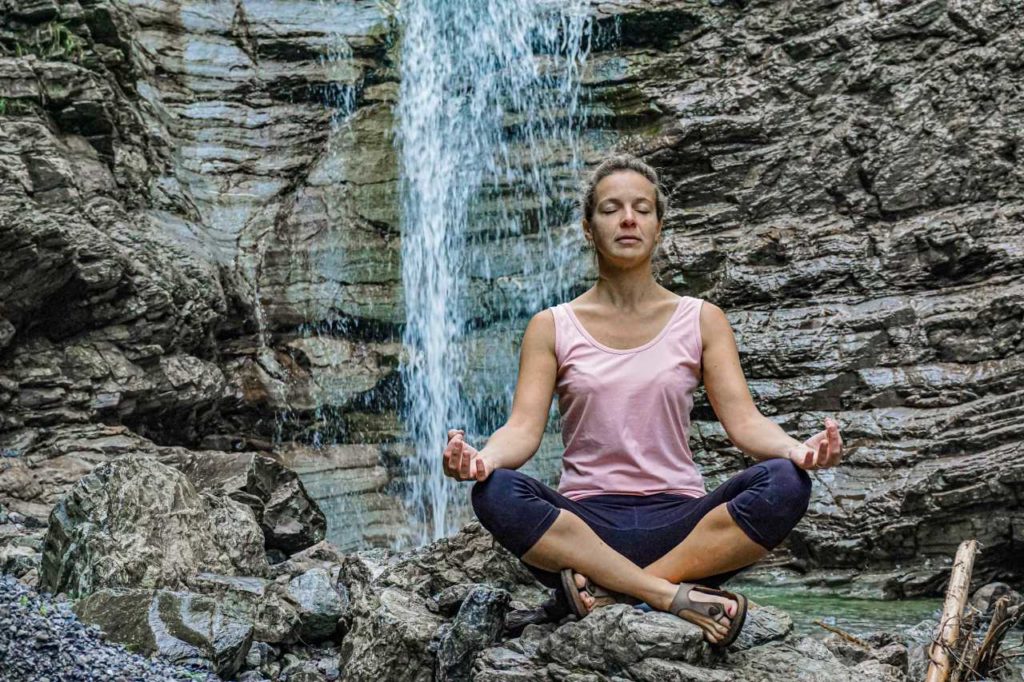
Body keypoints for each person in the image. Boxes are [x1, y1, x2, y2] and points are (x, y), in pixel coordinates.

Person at [441, 154, 843, 648]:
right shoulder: (551, 326)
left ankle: (616, 594)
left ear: (658, 227)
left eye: (641, 209)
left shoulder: (701, 319)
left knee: (786, 481)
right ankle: (666, 594)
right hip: (584, 531)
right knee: (495, 491)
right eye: (611, 209)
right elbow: (522, 430)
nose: (627, 219)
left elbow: (744, 422)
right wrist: (482, 460)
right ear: (589, 228)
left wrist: (797, 451)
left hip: (683, 528)